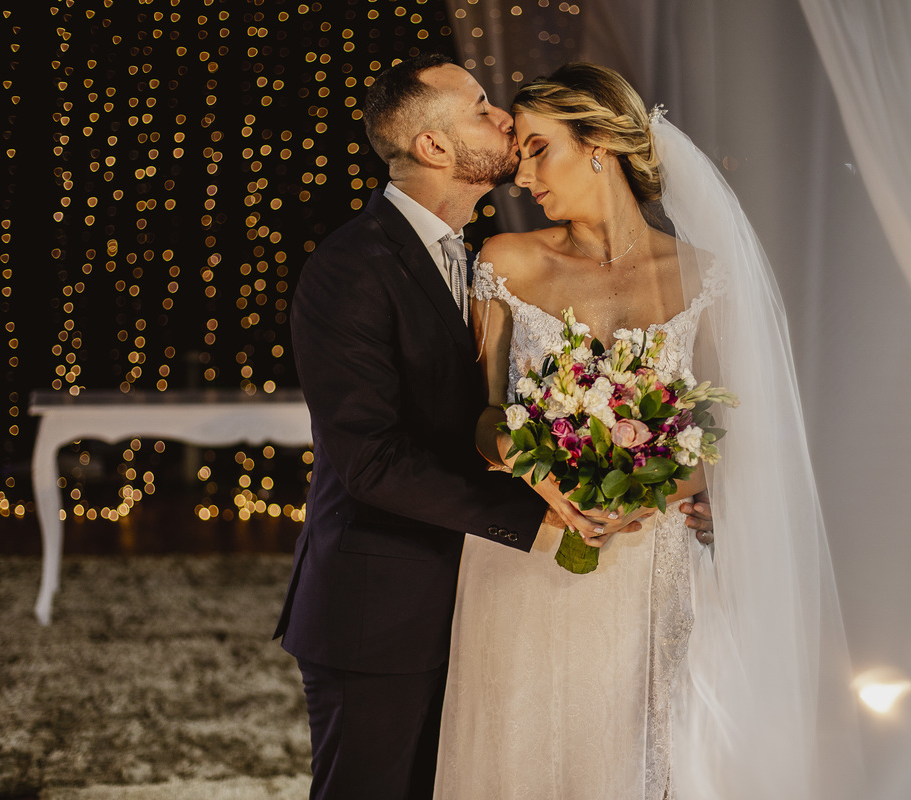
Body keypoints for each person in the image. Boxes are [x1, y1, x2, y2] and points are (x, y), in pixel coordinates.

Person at [273, 54, 714, 800]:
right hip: (385, 607)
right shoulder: (352, 267)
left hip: (496, 588)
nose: (504, 120)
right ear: (433, 146)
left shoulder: (471, 255)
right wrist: (539, 507)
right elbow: (369, 460)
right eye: (483, 107)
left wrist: (693, 486)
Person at [435, 63, 860, 799]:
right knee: (522, 748)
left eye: (538, 149)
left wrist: (685, 487)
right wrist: (536, 470)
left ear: (599, 144)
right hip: (530, 546)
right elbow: (481, 416)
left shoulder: (704, 276)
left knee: (650, 750)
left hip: (654, 558)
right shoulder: (506, 262)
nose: (522, 177)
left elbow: (730, 431)